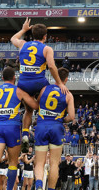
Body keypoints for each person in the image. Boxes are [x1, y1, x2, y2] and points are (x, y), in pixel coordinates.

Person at [0, 67, 39, 190]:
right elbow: (34, 106)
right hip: (13, 128)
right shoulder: (18, 90)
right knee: (13, 162)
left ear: (2, 78)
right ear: (14, 78)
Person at [11, 18, 69, 148]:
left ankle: (25, 133)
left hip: (23, 83)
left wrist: (23, 29)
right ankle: (47, 131)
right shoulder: (47, 48)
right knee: (48, 103)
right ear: (45, 36)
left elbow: (12, 39)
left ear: (32, 35)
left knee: (28, 110)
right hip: (39, 82)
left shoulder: (23, 44)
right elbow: (52, 67)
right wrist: (59, 83)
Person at [33, 67, 75, 190]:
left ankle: (39, 187)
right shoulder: (68, 94)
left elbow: (38, 103)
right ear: (66, 79)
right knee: (54, 163)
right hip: (56, 127)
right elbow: (72, 116)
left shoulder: (45, 89)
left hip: (41, 125)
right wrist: (60, 119)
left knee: (39, 162)